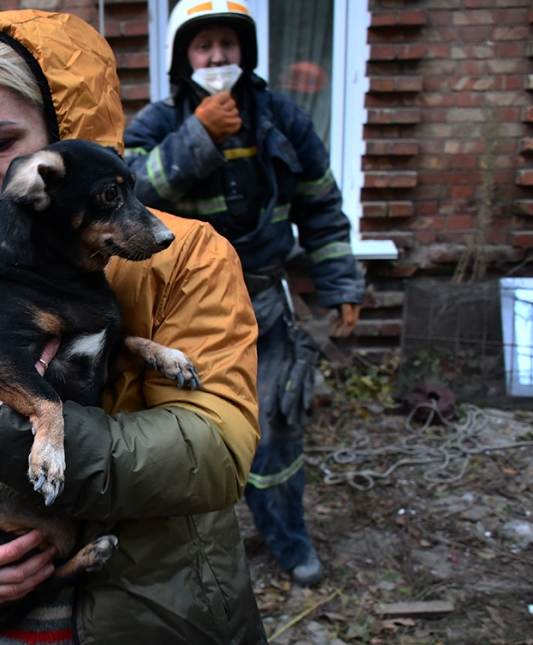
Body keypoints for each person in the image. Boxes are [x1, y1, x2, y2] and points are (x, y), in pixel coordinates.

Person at [0, 10, 268, 645]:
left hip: (150, 612)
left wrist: (15, 427)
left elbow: (215, 450)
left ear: (68, 135)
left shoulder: (188, 258)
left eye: (1, 143)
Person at [123, 0, 365, 586]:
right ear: (185, 56)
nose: (216, 57)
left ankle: (287, 538)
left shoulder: (283, 118)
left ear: (245, 52)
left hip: (263, 301)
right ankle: (188, 552)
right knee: (181, 426)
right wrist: (197, 137)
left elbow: (322, 206)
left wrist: (340, 282)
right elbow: (127, 198)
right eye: (203, 46)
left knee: (279, 423)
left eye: (227, 45)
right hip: (181, 308)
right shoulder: (158, 124)